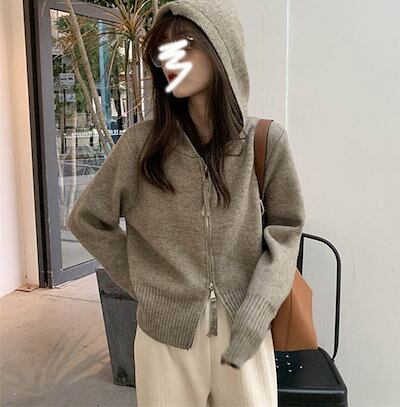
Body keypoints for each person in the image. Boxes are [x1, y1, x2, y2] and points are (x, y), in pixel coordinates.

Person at [67, 0, 306, 405]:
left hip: (243, 331)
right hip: (165, 339)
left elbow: (286, 229)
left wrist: (260, 306)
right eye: (162, 50)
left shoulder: (264, 141)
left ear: (221, 49)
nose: (169, 60)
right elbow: (87, 219)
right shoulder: (140, 147)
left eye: (185, 45)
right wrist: (147, 284)